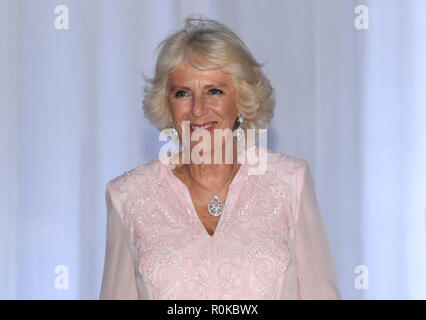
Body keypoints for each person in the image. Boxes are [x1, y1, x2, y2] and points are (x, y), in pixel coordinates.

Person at [99, 15, 341, 300]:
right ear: (167, 104)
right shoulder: (127, 195)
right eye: (182, 93)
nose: (198, 109)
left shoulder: (290, 181)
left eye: (214, 91)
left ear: (240, 100)